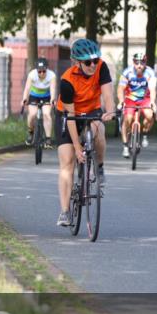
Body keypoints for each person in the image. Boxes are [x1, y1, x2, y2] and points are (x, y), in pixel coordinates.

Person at [55, 39, 116, 227]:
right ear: (77, 62)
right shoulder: (67, 80)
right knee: (67, 160)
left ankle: (99, 167)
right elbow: (71, 115)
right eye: (87, 62)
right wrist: (77, 147)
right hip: (68, 115)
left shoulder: (101, 67)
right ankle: (65, 212)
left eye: (95, 61)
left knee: (99, 129)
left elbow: (107, 95)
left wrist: (110, 111)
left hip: (91, 111)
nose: (92, 65)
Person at [117, 52, 157, 157]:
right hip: (130, 99)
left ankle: (144, 133)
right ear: (133, 62)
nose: (139, 65)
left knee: (149, 115)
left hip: (145, 98)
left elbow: (152, 89)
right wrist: (121, 101)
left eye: (142, 62)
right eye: (137, 62)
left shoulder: (150, 72)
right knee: (128, 119)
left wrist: (152, 102)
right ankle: (125, 145)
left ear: (145, 62)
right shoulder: (127, 72)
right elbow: (120, 89)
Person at [21, 58, 55, 146]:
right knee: (32, 114)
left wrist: (52, 99)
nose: (42, 73)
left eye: (44, 71)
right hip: (34, 96)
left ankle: (48, 139)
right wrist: (25, 98)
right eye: (39, 71)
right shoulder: (32, 74)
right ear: (36, 71)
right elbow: (27, 88)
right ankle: (30, 133)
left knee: (47, 114)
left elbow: (53, 89)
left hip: (46, 97)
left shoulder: (51, 75)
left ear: (47, 69)